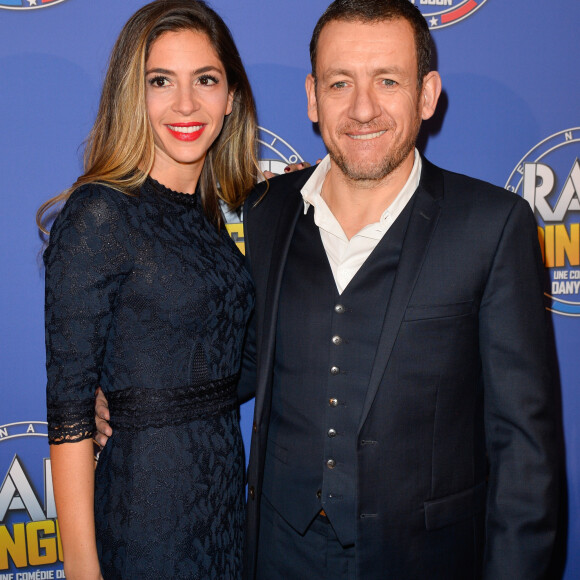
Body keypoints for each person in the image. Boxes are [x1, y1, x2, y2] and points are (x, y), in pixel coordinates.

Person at [237, 0, 560, 578]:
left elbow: (524, 451)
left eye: (388, 80)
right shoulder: (266, 211)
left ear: (427, 94)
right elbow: (245, 356)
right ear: (313, 96)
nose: (363, 109)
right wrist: (134, 395)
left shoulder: (492, 224)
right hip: (279, 554)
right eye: (341, 83)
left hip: (423, 559)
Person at [38, 1, 259, 578]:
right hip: (145, 513)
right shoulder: (100, 213)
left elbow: (231, 364)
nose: (185, 104)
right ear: (130, 97)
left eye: (205, 80)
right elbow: (68, 415)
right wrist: (83, 568)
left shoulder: (206, 219)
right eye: (159, 81)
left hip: (222, 511)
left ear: (230, 96)